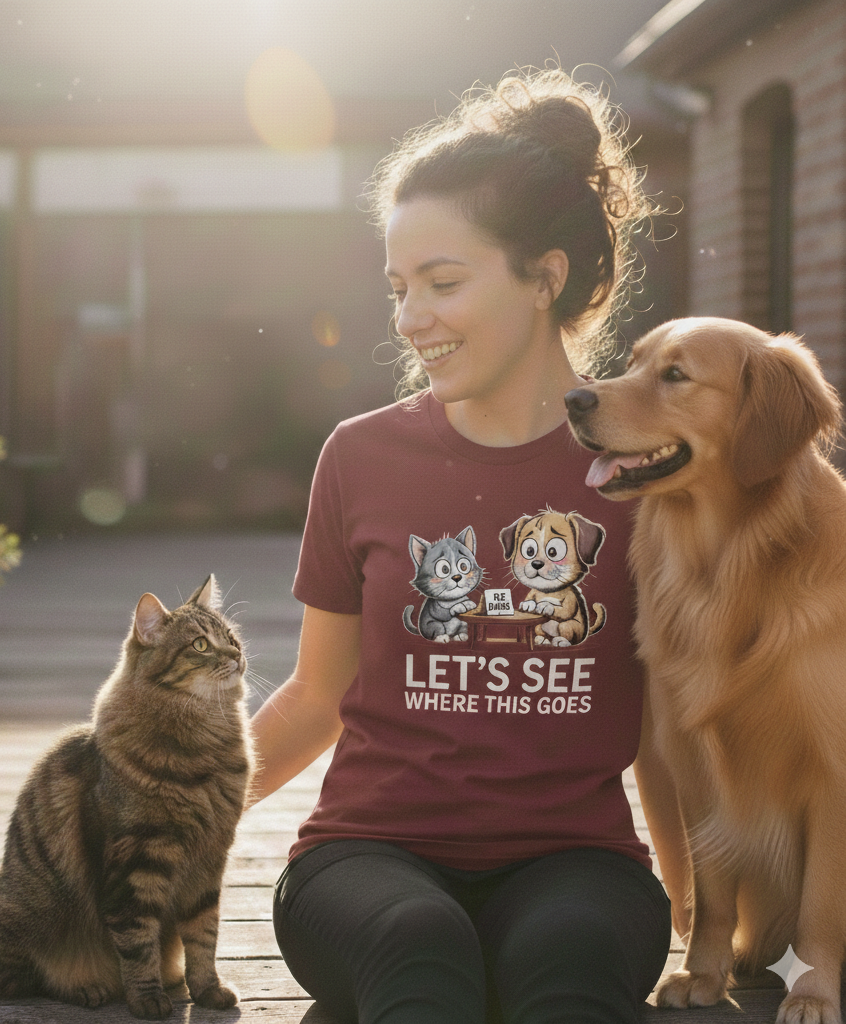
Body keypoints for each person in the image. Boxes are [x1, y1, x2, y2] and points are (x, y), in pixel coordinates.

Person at [250, 67, 680, 1024]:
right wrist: (150, 819)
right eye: (400, 289)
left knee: (564, 964)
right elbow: (318, 695)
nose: (410, 320)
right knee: (419, 944)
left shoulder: (650, 475)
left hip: (583, 866)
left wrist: (712, 907)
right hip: (363, 862)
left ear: (545, 277)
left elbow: (670, 729)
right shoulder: (360, 456)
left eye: (443, 284)